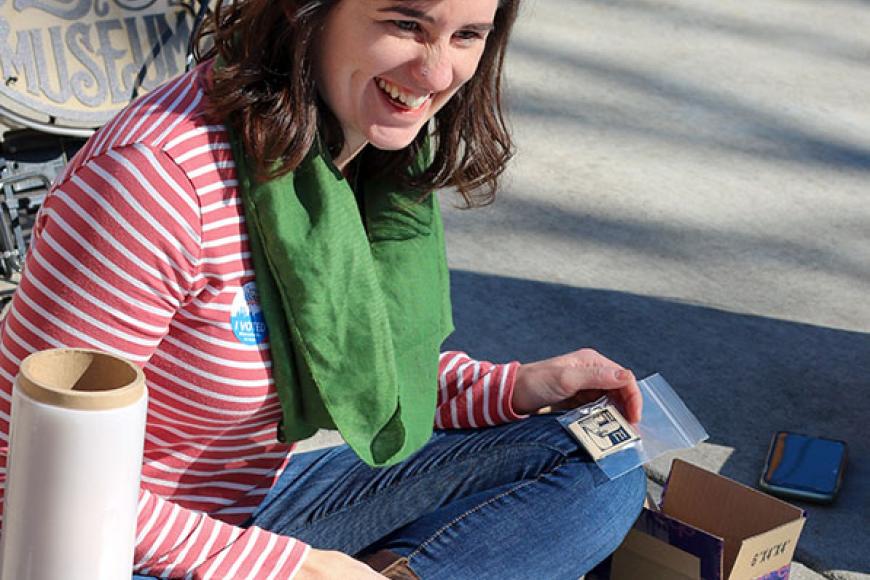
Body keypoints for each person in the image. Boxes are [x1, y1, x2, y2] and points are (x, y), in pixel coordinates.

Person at [0, 0, 646, 577]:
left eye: (468, 35)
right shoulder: (154, 183)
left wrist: (516, 388)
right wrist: (291, 568)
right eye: (405, 24)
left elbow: (352, 361)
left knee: (599, 459)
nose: (437, 72)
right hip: (106, 547)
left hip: (252, 512)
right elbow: (30, 476)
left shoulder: (350, 150)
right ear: (302, 10)